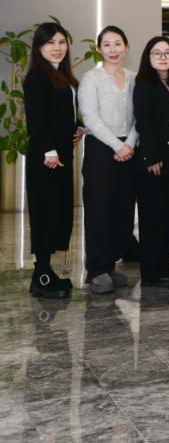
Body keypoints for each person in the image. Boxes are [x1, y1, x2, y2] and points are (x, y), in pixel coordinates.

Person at [23, 22, 83, 298]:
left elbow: (62, 113)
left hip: (61, 156)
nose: (57, 48)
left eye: (61, 42)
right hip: (46, 158)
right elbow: (37, 119)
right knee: (45, 212)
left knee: (57, 211)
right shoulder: (37, 76)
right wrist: (49, 150)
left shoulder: (64, 76)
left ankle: (44, 272)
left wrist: (78, 128)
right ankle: (42, 275)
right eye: (50, 43)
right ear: (38, 47)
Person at [80, 26, 138, 294]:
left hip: (129, 148)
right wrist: (117, 145)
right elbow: (90, 118)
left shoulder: (134, 78)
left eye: (118, 44)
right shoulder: (91, 78)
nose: (113, 49)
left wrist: (129, 144)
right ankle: (97, 269)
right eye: (107, 44)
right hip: (101, 149)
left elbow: (140, 116)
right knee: (99, 209)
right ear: (99, 48)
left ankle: (110, 263)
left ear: (126, 47)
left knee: (122, 209)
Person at [133, 35, 169, 288]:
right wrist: (151, 157)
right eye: (157, 53)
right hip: (154, 163)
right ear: (148, 57)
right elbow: (144, 123)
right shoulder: (145, 85)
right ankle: (152, 272)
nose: (163, 57)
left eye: (168, 53)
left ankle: (165, 265)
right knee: (153, 218)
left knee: (168, 216)